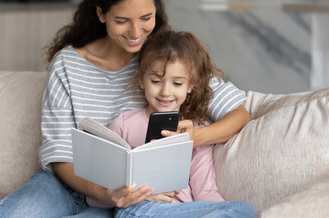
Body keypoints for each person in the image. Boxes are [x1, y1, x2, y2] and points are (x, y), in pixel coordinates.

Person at [0, 0, 252, 217]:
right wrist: (105, 193)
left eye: (146, 18)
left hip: (130, 202)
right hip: (67, 185)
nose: (136, 33)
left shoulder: (164, 61)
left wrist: (195, 139)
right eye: (122, 21)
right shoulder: (68, 65)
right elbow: (59, 154)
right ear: (101, 13)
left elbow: (240, 115)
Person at [87, 30, 256, 217]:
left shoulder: (197, 130)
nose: (166, 92)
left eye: (177, 84)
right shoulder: (123, 124)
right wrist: (130, 193)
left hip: (183, 211)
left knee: (242, 209)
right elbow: (96, 198)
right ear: (141, 80)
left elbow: (206, 191)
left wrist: (221, 210)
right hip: (140, 209)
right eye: (156, 81)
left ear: (190, 85)